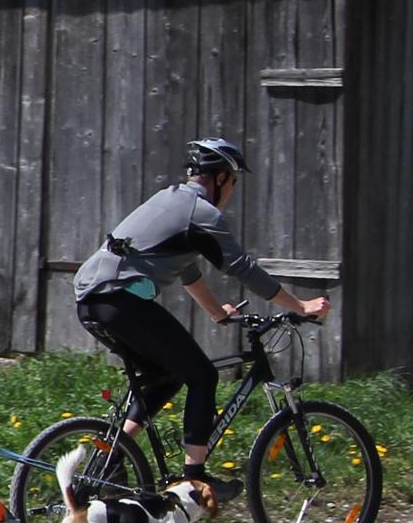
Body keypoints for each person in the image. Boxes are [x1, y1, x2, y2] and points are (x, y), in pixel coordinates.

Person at [71, 138, 329, 498]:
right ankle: (194, 477)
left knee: (168, 374)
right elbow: (242, 267)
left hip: (92, 302)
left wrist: (215, 311)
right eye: (234, 183)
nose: (233, 191)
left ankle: (114, 452)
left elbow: (186, 266)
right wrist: (299, 306)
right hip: (120, 300)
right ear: (222, 178)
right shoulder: (201, 212)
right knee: (203, 375)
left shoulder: (169, 200)